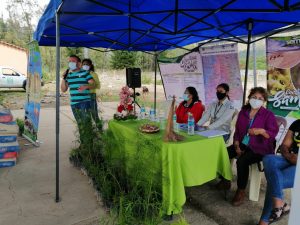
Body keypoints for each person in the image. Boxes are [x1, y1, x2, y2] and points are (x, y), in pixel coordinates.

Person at [217, 87, 279, 206]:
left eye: (260, 98)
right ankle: (226, 180)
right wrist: (236, 144)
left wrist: (260, 131)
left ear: (264, 101)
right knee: (224, 152)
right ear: (249, 98)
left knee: (242, 161)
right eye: (254, 97)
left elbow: (272, 135)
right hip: (243, 144)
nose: (256, 100)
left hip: (261, 148)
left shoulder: (268, 115)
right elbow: (238, 132)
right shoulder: (243, 112)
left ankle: (240, 191)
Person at [258, 119, 300, 225]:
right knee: (268, 159)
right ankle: (280, 205)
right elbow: (284, 145)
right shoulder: (297, 123)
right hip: (289, 158)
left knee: (274, 180)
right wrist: (289, 156)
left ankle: (264, 221)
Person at [61, 55, 95, 144]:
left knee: (86, 125)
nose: (70, 63)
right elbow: (63, 89)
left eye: (73, 61)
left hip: (84, 102)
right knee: (80, 125)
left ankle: (89, 146)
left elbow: (93, 84)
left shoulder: (85, 73)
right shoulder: (69, 75)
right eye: (69, 61)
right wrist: (63, 78)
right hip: (74, 104)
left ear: (79, 63)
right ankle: (84, 145)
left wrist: (86, 86)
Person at [82, 58, 102, 131]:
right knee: (85, 116)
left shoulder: (93, 74)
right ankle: (89, 132)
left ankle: (100, 130)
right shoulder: (80, 74)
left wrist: (87, 86)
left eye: (87, 64)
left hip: (91, 96)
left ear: (90, 65)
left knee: (94, 115)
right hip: (82, 97)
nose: (85, 66)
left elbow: (97, 85)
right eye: (83, 64)